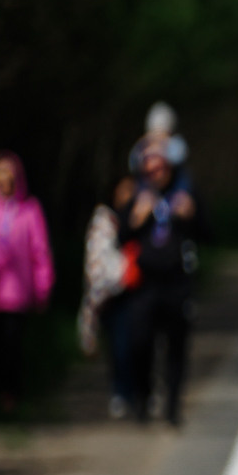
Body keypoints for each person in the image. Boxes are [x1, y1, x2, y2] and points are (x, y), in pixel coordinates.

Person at [120, 140, 206, 426]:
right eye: (150, 168)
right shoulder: (138, 197)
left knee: (176, 347)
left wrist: (192, 216)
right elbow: (120, 237)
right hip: (144, 285)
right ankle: (143, 399)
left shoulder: (184, 195)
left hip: (177, 282)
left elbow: (210, 232)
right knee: (139, 343)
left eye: (161, 167)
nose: (156, 173)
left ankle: (172, 406)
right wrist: (135, 218)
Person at [0, 150, 53, 415]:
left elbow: (40, 252)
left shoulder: (29, 210)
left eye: (9, 172)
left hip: (16, 294)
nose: (4, 177)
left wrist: (42, 289)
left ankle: (10, 398)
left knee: (12, 347)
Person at [81, 176, 142, 415]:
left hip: (136, 291)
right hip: (110, 295)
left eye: (131, 191)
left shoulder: (143, 217)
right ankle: (120, 391)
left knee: (138, 343)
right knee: (119, 346)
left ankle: (138, 389)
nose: (127, 196)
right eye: (123, 191)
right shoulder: (103, 221)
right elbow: (95, 258)